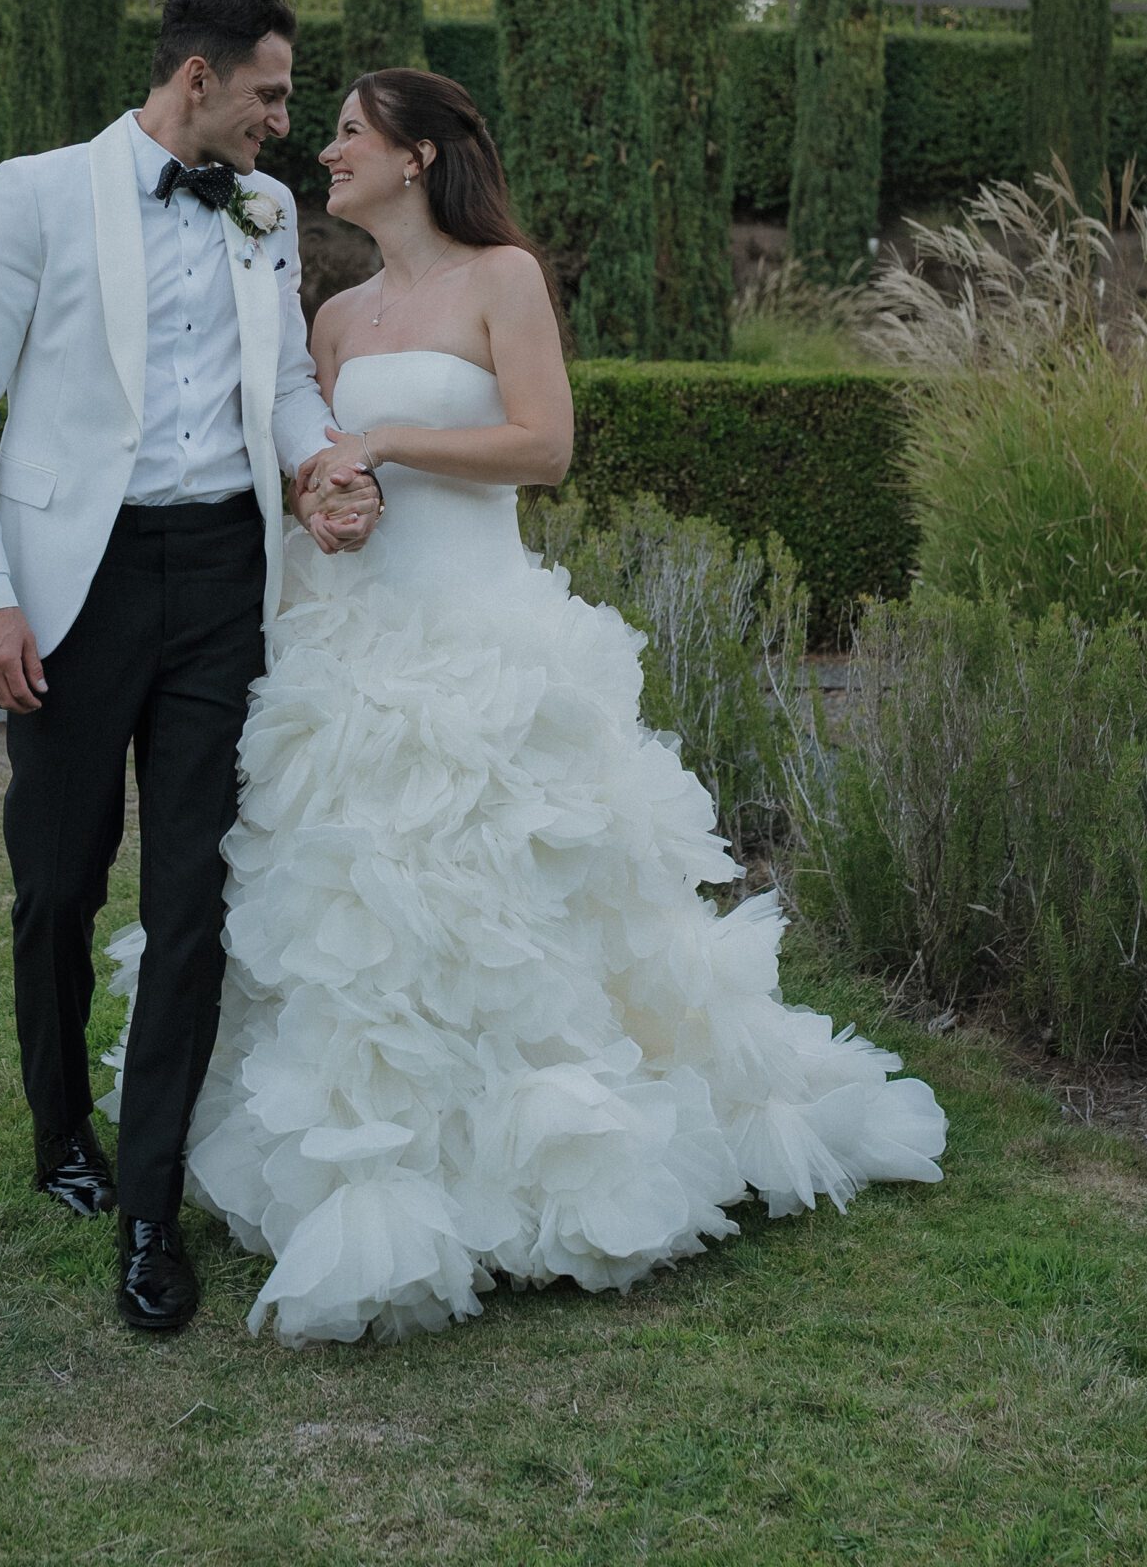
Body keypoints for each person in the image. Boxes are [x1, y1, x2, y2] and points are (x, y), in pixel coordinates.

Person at [103, 67, 947, 1345]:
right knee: (352, 918)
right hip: (350, 644)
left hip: (484, 634)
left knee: (508, 901)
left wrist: (385, 447)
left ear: (420, 156)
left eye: (346, 134)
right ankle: (369, 1157)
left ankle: (546, 1156)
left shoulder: (504, 279)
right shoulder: (331, 315)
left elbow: (544, 446)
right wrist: (329, 499)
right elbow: (311, 462)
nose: (321, 151)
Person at [0, 0, 380, 1335]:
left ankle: (148, 1210)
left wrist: (321, 465)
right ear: (199, 78)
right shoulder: (35, 194)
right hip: (74, 587)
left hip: (219, 587)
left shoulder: (263, 213)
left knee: (194, 900)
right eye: (273, 96)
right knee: (58, 887)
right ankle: (59, 1129)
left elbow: (286, 383)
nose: (286, 126)